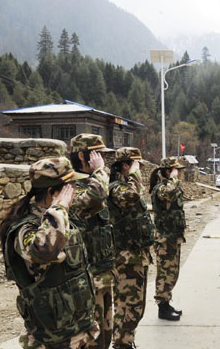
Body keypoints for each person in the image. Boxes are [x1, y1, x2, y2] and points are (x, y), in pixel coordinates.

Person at [0, 157, 99, 349]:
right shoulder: (26, 228)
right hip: (52, 340)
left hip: (79, 330)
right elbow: (44, 250)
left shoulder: (62, 217)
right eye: (69, 188)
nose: (75, 192)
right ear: (52, 193)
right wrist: (59, 208)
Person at [69, 134, 115, 349]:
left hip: (103, 274)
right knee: (93, 339)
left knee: (106, 333)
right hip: (88, 280)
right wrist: (99, 171)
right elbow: (97, 197)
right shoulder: (73, 186)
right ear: (81, 155)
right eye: (97, 155)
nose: (102, 160)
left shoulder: (94, 182)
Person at [108, 147, 155, 349]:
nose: (140, 170)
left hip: (137, 255)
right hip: (125, 258)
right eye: (136, 166)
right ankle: (121, 344)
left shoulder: (128, 186)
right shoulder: (117, 188)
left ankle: (126, 341)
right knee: (127, 306)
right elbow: (132, 196)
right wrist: (135, 176)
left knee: (135, 307)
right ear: (125, 166)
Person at [149, 157, 187, 321]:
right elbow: (170, 194)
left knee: (172, 273)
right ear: (167, 171)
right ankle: (162, 308)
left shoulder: (170, 186)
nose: (178, 173)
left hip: (173, 237)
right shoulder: (161, 188)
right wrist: (173, 179)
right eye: (174, 170)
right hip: (165, 239)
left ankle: (167, 303)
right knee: (164, 274)